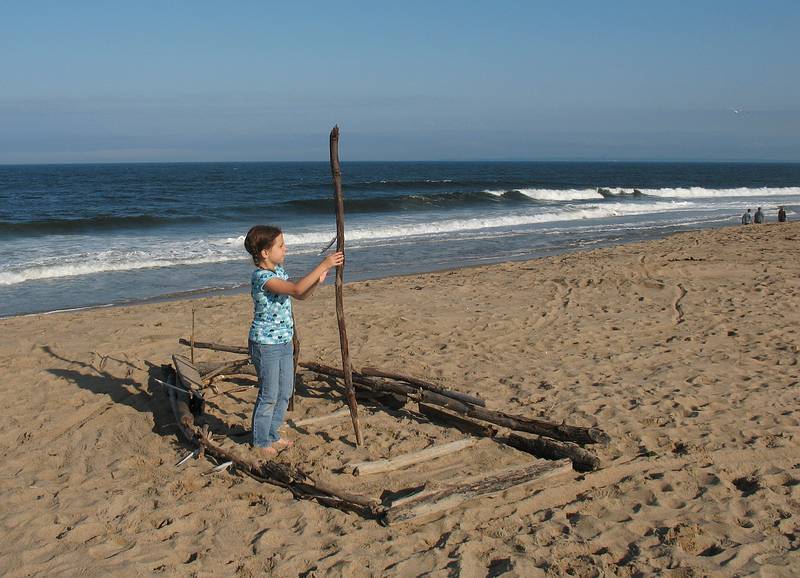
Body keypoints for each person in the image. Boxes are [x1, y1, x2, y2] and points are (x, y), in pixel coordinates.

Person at [243, 225, 344, 458]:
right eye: (280, 245)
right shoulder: (262, 277)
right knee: (269, 393)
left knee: (285, 391)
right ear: (265, 253)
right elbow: (297, 288)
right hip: (265, 344)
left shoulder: (279, 271)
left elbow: (300, 294)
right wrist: (325, 263)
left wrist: (318, 281)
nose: (285, 249)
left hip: (284, 341)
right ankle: (260, 440)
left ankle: (272, 434)